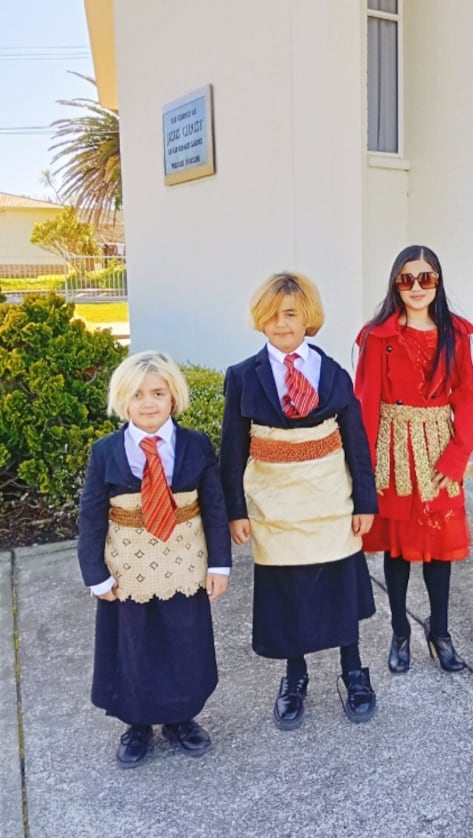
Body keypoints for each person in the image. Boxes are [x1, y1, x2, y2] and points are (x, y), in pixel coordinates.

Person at [220, 272, 378, 730]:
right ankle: (295, 676)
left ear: (308, 316)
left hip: (330, 499)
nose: (281, 323)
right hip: (275, 506)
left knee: (338, 585)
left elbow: (356, 443)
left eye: (290, 313)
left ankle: (353, 670)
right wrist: (235, 510)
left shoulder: (333, 373)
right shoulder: (243, 377)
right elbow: (232, 450)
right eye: (271, 315)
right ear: (260, 320)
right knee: (288, 590)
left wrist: (364, 501)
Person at [77, 351, 231, 768]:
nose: (148, 403)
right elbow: (91, 516)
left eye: (158, 393)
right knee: (134, 645)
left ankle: (182, 718)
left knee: (184, 640)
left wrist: (219, 564)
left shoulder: (195, 445)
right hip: (129, 570)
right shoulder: (106, 452)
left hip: (184, 563)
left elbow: (214, 506)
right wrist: (95, 574)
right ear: (122, 400)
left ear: (173, 397)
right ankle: (138, 724)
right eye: (137, 394)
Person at [355, 245, 473, 674]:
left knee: (439, 548)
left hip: (439, 446)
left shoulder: (455, 334)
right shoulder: (377, 336)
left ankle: (439, 631)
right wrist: (364, 469)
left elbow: (466, 396)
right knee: (398, 548)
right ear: (395, 284)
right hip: (393, 449)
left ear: (437, 282)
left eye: (425, 278)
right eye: (406, 279)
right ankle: (400, 631)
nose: (416, 287)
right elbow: (366, 402)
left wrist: (459, 453)